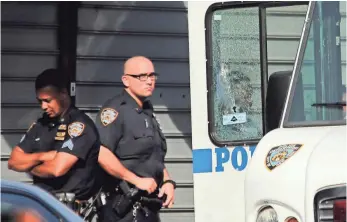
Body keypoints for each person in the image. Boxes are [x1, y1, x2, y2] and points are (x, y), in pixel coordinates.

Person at [8, 68, 102, 214]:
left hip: (67, 210)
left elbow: (56, 169)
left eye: (47, 101)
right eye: (40, 101)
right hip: (41, 206)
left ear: (63, 94)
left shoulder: (79, 126)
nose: (43, 106)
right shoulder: (41, 125)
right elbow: (13, 161)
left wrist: (28, 166)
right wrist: (42, 156)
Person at [96, 56, 176, 222]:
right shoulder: (115, 110)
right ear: (126, 80)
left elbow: (152, 156)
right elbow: (101, 153)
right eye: (142, 76)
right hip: (123, 208)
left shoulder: (147, 111)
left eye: (152, 76)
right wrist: (136, 180)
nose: (149, 81)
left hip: (148, 207)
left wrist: (167, 180)